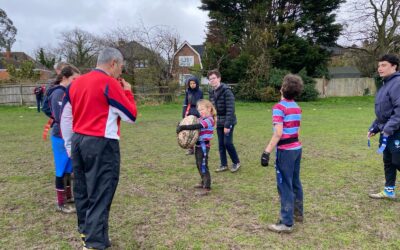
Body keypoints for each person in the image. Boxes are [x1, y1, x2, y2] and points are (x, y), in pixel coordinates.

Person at [60, 47, 137, 249]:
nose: (121, 71)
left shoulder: (76, 84)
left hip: (78, 140)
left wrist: (69, 144)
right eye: (120, 67)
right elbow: (130, 116)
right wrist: (128, 93)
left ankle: (89, 235)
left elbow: (65, 117)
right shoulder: (109, 83)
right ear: (113, 63)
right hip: (101, 143)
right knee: (102, 192)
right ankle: (94, 244)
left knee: (83, 191)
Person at [261, 74, 304, 233]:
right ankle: (297, 213)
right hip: (297, 149)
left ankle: (286, 223)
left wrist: (266, 151)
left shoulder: (279, 107)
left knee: (285, 184)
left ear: (283, 88)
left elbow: (278, 133)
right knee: (294, 181)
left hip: (285, 152)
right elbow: (297, 130)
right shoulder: (297, 107)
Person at [46, 65, 80, 213]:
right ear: (65, 78)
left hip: (68, 135)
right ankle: (61, 203)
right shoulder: (58, 93)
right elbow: (61, 116)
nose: (76, 82)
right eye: (74, 79)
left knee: (68, 168)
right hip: (60, 136)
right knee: (61, 169)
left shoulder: (66, 92)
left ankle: (68, 196)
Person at [368, 54, 400, 199]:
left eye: (384, 65)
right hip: (386, 132)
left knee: (397, 160)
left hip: (396, 132)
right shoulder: (385, 84)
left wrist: (388, 129)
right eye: (379, 65)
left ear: (394, 66)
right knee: (388, 161)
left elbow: (399, 111)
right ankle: (389, 190)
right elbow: (383, 112)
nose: (380, 68)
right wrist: (375, 127)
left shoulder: (398, 82)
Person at [177, 99, 216, 196]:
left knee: (203, 165)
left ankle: (207, 187)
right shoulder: (202, 118)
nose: (200, 112)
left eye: (202, 109)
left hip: (204, 146)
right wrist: (181, 124)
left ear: (209, 109)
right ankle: (203, 181)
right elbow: (192, 123)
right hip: (198, 145)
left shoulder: (209, 120)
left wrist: (183, 128)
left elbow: (196, 126)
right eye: (199, 110)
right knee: (198, 164)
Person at [208, 69, 241, 173]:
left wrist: (227, 125)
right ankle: (223, 164)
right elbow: (212, 109)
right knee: (221, 144)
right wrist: (213, 120)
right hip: (218, 121)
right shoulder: (212, 92)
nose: (212, 80)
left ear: (219, 78)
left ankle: (236, 162)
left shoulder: (227, 91)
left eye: (213, 78)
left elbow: (231, 110)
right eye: (210, 79)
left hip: (228, 121)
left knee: (227, 143)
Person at [182, 76, 203, 155]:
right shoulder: (188, 91)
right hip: (189, 112)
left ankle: (199, 147)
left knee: (197, 130)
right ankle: (191, 149)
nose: (192, 85)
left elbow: (202, 102)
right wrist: (184, 114)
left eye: (194, 83)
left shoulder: (200, 92)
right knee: (189, 130)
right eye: (191, 83)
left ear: (196, 83)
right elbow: (185, 103)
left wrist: (201, 113)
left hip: (198, 111)